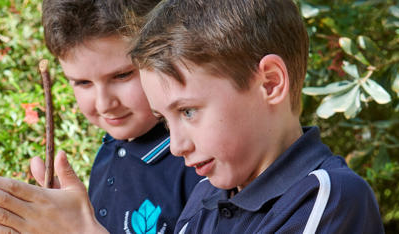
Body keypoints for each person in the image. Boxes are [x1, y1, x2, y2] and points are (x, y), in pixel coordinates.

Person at [129, 0, 385, 233]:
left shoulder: (328, 198)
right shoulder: (204, 198)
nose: (176, 146)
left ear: (270, 83)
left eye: (188, 111)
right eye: (164, 120)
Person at [0, 0, 202, 233]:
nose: (104, 103)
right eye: (83, 82)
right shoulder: (110, 152)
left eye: (122, 75)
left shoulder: (201, 162)